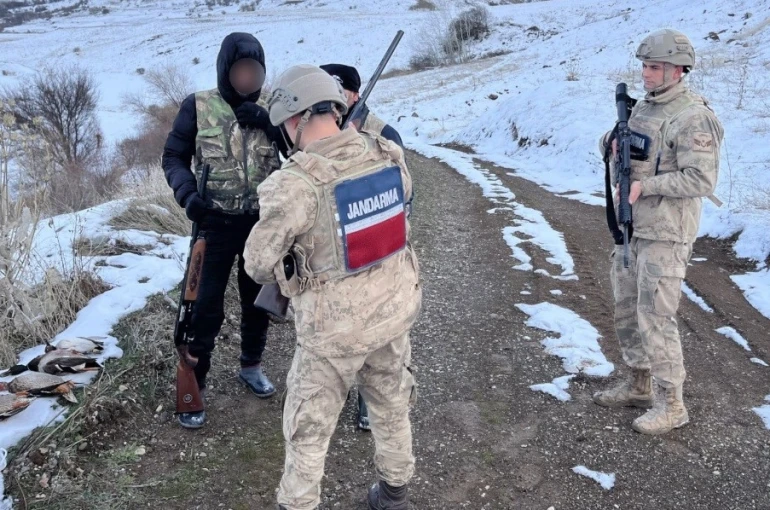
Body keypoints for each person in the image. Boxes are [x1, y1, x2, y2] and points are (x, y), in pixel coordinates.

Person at [243, 64, 421, 510]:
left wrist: (294, 273)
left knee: (309, 428)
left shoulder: (294, 183)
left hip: (333, 334)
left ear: (292, 119)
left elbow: (257, 263)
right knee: (391, 404)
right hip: (392, 313)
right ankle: (394, 495)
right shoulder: (387, 153)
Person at [595, 29, 723, 435]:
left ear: (676, 69)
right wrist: (612, 143)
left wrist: (647, 186)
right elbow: (624, 147)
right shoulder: (644, 108)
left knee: (656, 316)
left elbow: (701, 179)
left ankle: (673, 404)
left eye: (653, 67)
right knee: (626, 308)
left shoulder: (692, 116)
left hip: (666, 232)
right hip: (633, 228)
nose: (645, 74)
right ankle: (639, 384)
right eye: (644, 66)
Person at [162, 32, 286, 429]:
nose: (248, 78)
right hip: (212, 224)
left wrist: (270, 124)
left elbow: (301, 153)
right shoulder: (198, 106)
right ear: (225, 70)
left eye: (256, 71)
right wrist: (187, 195)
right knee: (204, 308)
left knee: (257, 303)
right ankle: (193, 384)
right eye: (240, 70)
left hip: (261, 225)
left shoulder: (275, 107)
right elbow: (173, 157)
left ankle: (251, 366)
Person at [320, 63, 404, 430]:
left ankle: (369, 402)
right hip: (328, 251)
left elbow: (400, 200)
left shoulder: (383, 133)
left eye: (338, 92)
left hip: (373, 248)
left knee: (377, 330)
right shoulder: (317, 133)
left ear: (354, 94)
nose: (332, 101)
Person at [320, 63, 404, 148]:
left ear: (355, 96)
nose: (329, 96)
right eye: (324, 90)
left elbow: (397, 160)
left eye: (339, 91)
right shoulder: (307, 123)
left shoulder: (384, 134)